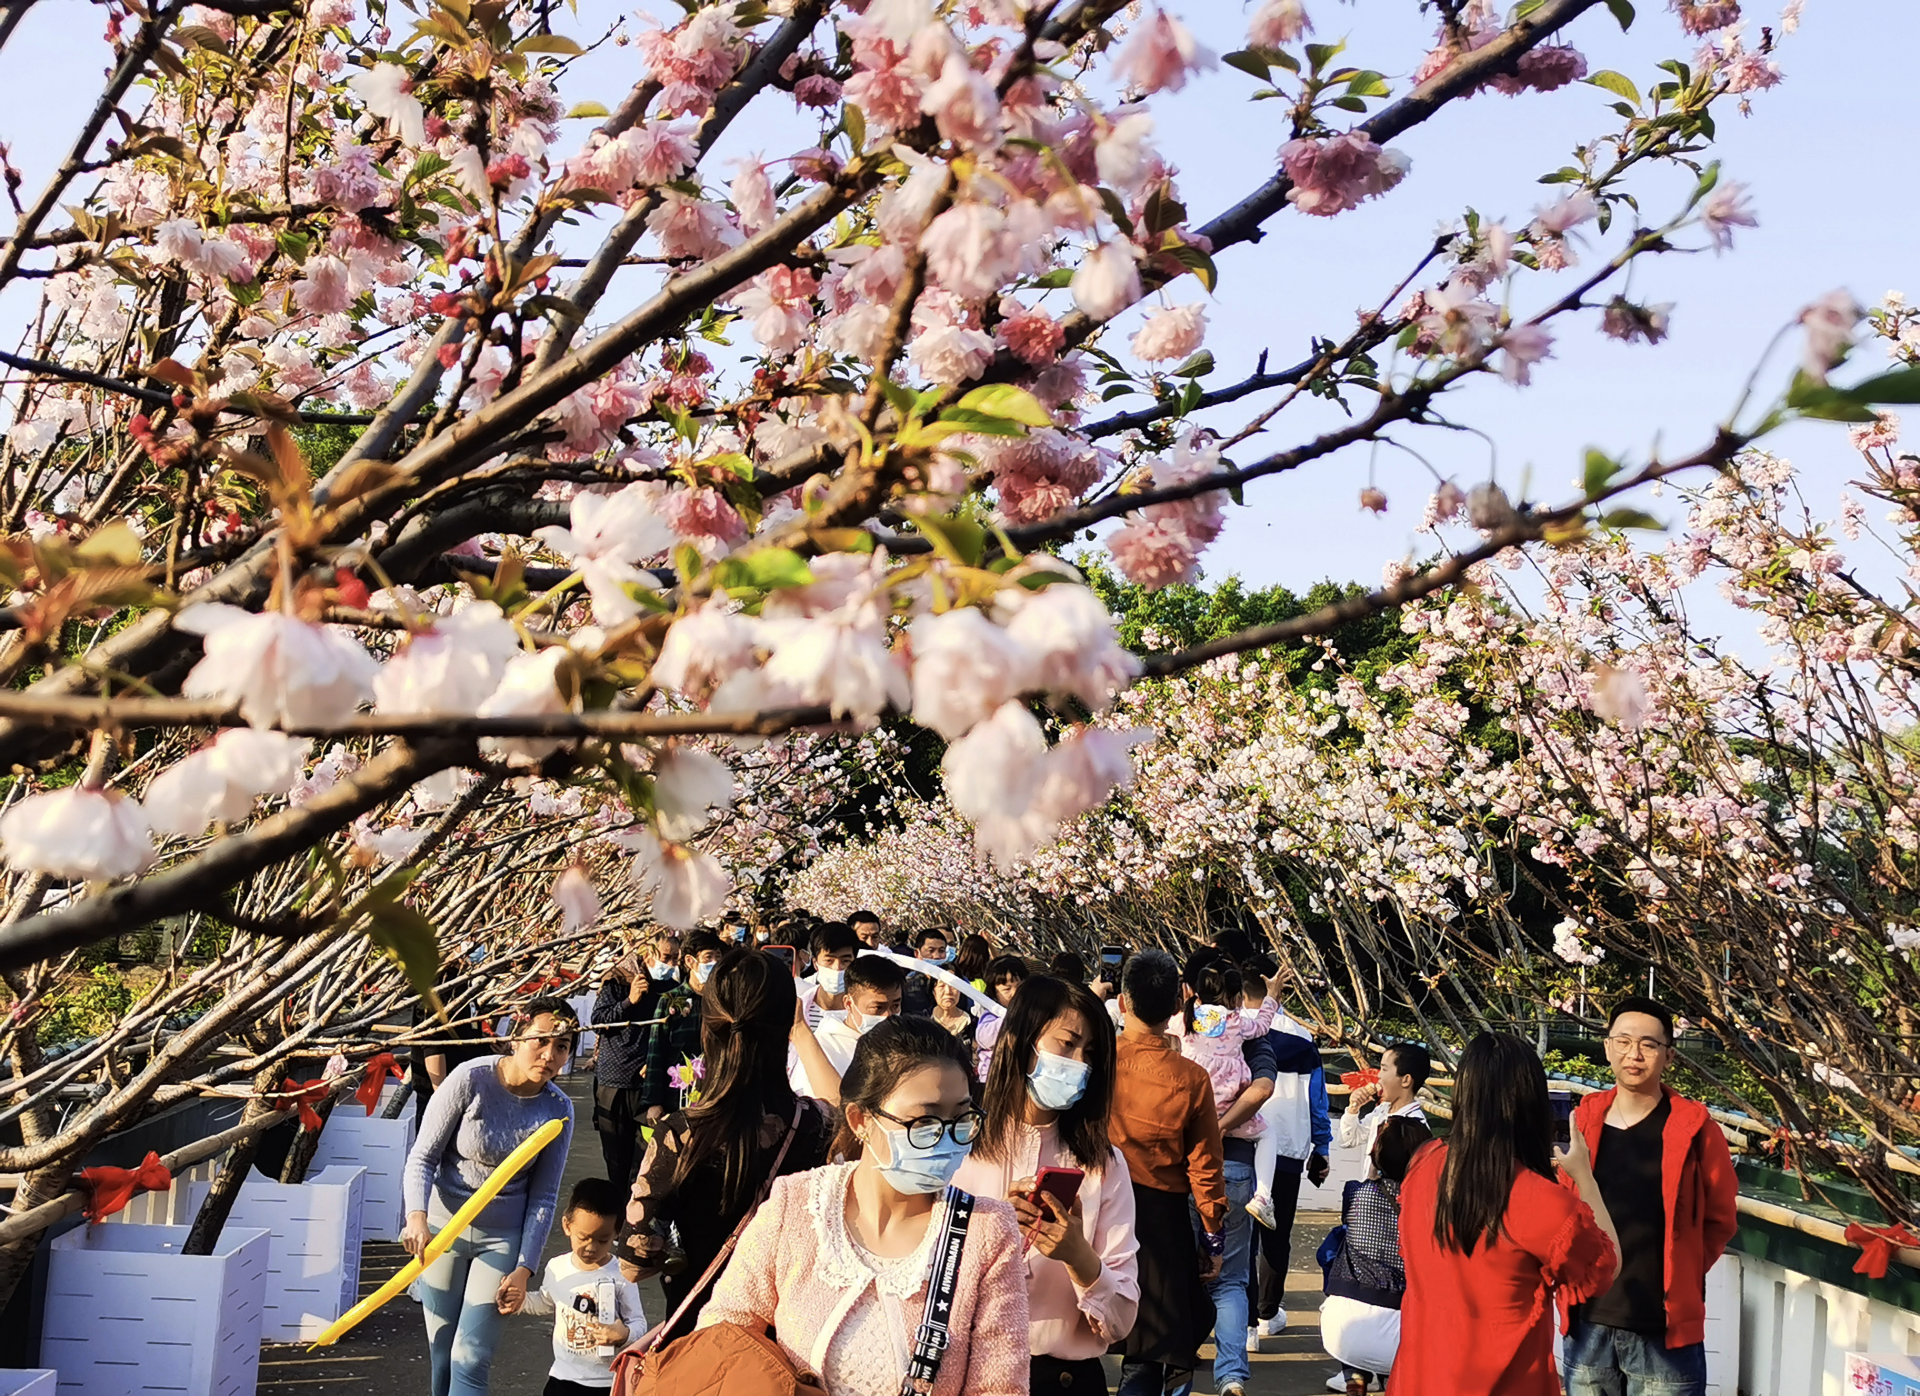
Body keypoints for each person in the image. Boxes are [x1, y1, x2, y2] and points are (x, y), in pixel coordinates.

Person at [697, 1015, 1031, 1396]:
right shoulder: (797, 1206)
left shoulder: (985, 1231)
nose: (947, 1136)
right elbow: (722, 1331)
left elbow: (1000, 1386)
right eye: (924, 1120)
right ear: (860, 1120)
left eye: (961, 1117)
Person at [618, 949, 839, 1343]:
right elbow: (845, 1109)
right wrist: (801, 1032)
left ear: (708, 1025)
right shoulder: (816, 1125)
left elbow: (635, 1263)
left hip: (697, 1339)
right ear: (785, 1022)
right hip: (786, 1343)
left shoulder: (679, 1132)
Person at [1396, 1032, 1621, 1396]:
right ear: (1532, 1104)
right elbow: (1605, 1268)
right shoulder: (1544, 1202)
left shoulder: (1423, 1166)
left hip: (1420, 1378)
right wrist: (1584, 1177)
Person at [959, 975, 1139, 1394]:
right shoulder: (959, 1145)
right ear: (1020, 1041)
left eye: (1090, 1053)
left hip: (1064, 1381)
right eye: (1067, 1043)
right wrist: (992, 1232)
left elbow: (1121, 1319)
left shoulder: (1104, 1165)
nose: (1079, 1063)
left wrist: (1079, 1256)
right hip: (968, 1371)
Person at [1559, 997, 1739, 1396]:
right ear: (1607, 1048)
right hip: (1588, 1322)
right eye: (1622, 1041)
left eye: (1648, 1044)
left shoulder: (1695, 1130)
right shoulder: (1582, 1122)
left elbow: (1720, 1219)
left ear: (1669, 1055)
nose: (1633, 1054)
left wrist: (1683, 1271)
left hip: (1665, 1328)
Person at [402, 997, 578, 1396]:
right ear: (516, 1036)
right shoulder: (469, 1078)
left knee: (472, 1357)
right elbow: (423, 1157)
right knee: (443, 1354)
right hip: (442, 1230)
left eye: (562, 1046)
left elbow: (545, 1197)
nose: (550, 1055)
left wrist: (524, 1267)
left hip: (501, 1240)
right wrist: (415, 1216)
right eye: (542, 1041)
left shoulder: (558, 1109)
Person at [1108, 949, 1228, 1396]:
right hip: (1160, 1215)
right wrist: (1213, 1236)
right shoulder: (1191, 1079)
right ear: (1180, 1002)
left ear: (1122, 1002)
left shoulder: (1097, 1062)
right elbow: (1205, 1165)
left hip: (1093, 1204)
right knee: (1149, 1348)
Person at [1175, 950, 1280, 1396]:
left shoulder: (1185, 1021)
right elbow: (1262, 1025)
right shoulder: (1240, 1022)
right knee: (1232, 1280)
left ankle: (1175, 1367)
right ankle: (1232, 1374)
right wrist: (1272, 995)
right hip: (1234, 1153)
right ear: (1238, 996)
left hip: (1186, 1157)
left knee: (1181, 1270)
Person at [1243, 962, 1332, 1341]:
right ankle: (1267, 1313)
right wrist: (1322, 1145)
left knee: (1240, 1236)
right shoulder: (1300, 1037)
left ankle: (1243, 1321)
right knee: (1276, 1235)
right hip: (1288, 1149)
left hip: (1239, 1144)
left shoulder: (1228, 1029)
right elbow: (1318, 1100)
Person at [1319, 1116, 1432, 1395]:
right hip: (1401, 1334)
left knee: (1340, 1250)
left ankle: (1354, 1374)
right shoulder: (1432, 1206)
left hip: (1340, 1330)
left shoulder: (1356, 1194)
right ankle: (1392, 1379)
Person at [515, 1177, 646, 1396]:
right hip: (563, 1377)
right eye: (583, 1237)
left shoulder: (622, 1273)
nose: (590, 1247)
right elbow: (546, 1301)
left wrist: (624, 1334)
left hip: (608, 1382)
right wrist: (519, 1301)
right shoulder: (557, 1268)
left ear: (617, 1232)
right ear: (567, 1225)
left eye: (602, 1240)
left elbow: (639, 1322)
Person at [589, 929, 676, 1189]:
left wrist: (660, 1063)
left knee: (646, 1164)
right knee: (616, 1163)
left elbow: (675, 1033)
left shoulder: (672, 989)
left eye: (676, 959)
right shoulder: (617, 980)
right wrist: (629, 1001)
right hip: (613, 1085)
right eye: (666, 957)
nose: (671, 965)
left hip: (648, 1089)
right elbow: (598, 1022)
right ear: (648, 953)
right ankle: (615, 1222)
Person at [640, 929, 724, 1120]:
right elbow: (656, 1051)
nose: (715, 964)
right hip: (676, 1097)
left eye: (718, 958)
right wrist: (653, 1102)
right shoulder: (671, 1000)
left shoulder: (724, 1001)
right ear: (690, 961)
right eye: (708, 957)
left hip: (714, 1096)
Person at [805, 951, 907, 1085]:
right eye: (877, 1008)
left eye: (895, 1006)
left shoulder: (906, 1043)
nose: (888, 1016)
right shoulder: (824, 1049)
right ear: (848, 1003)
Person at [1340, 1040, 1430, 1173]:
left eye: (1384, 1069)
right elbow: (1348, 1140)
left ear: (1405, 1080)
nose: (1379, 1075)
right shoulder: (1382, 1111)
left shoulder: (1415, 1126)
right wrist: (1353, 1109)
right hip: (1371, 1191)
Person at [973, 954, 1031, 1082]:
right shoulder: (992, 1014)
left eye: (1020, 987)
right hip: (992, 1079)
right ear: (994, 993)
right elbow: (984, 1037)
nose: (1015, 993)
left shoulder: (1031, 1012)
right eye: (1007, 989)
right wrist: (1011, 1018)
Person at [797, 920, 859, 1031]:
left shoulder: (862, 1013)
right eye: (829, 960)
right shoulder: (799, 1008)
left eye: (845, 961)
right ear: (815, 963)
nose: (837, 967)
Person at [904, 927, 950, 1015]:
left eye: (941, 951)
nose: (936, 956)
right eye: (931, 951)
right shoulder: (907, 985)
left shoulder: (955, 983)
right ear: (917, 953)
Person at [929, 976, 978, 1053]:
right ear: (933, 991)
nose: (948, 991)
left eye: (953, 985)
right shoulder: (924, 1023)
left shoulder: (974, 1024)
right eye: (942, 985)